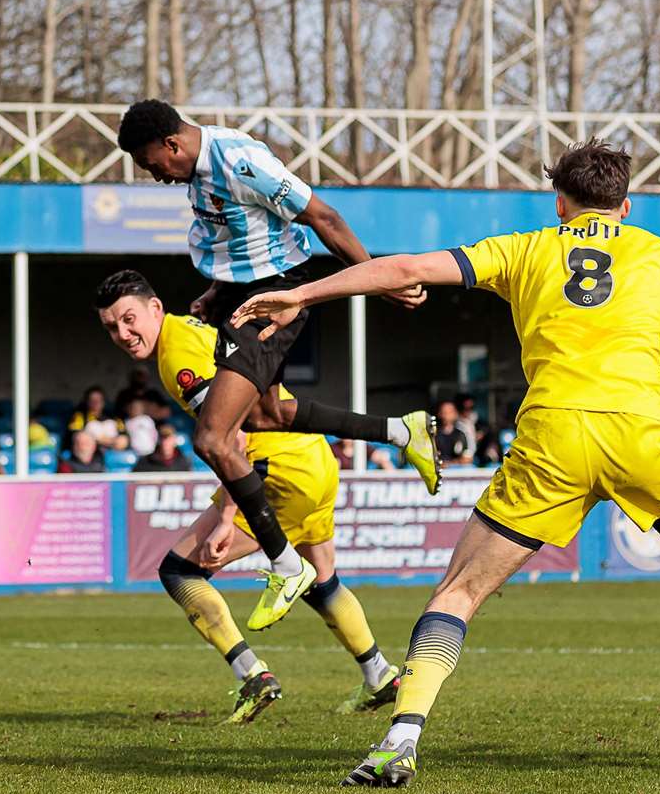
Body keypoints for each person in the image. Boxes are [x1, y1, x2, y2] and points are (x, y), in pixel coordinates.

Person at [233, 138, 660, 786]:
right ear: (625, 205)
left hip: (551, 438)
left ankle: (399, 737)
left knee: (458, 592)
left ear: (560, 203)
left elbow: (400, 268)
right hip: (643, 434)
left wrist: (302, 296)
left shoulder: (520, 249)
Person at [116, 99, 440, 626]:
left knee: (213, 439)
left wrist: (379, 277)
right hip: (242, 299)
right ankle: (403, 432)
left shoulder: (240, 160)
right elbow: (246, 239)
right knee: (268, 416)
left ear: (172, 145)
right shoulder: (196, 175)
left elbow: (323, 218)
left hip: (276, 300)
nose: (156, 176)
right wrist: (216, 293)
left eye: (153, 165)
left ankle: (285, 564)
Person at [98, 269, 401, 721]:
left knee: (180, 571)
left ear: (155, 308)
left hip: (278, 468)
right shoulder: (188, 331)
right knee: (322, 581)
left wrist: (225, 518)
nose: (123, 334)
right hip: (313, 458)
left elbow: (230, 437)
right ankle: (379, 675)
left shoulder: (176, 353)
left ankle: (252, 676)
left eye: (129, 319)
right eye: (111, 327)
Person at [433, 400, 471, 467]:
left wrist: (450, 464)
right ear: (439, 413)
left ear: (455, 414)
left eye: (449, 412)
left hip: (455, 471)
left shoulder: (460, 435)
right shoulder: (433, 434)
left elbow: (467, 458)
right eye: (443, 412)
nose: (445, 415)